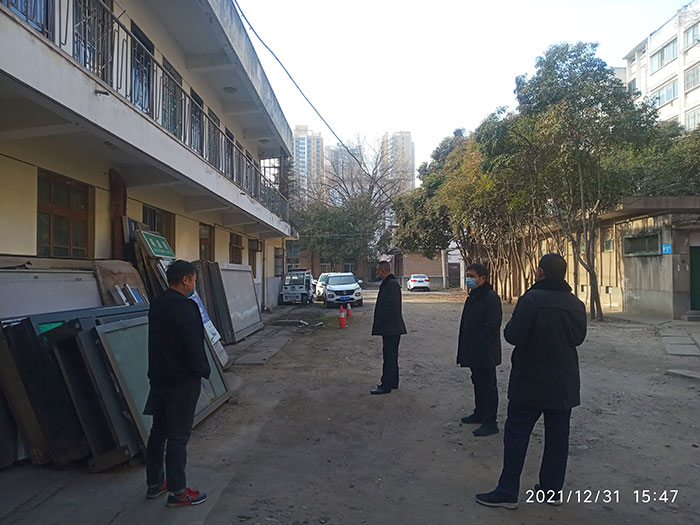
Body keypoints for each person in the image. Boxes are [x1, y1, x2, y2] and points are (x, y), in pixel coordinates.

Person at [476, 253, 586, 509]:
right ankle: (551, 491)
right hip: (564, 382)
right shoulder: (575, 303)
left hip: (531, 380)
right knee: (558, 438)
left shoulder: (531, 299)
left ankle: (507, 492)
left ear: (541, 273)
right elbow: (578, 338)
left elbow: (513, 335)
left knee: (517, 434)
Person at [144, 260, 211, 507]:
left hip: (159, 379)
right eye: (193, 281)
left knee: (158, 431)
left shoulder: (157, 304)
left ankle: (155, 483)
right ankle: (178, 492)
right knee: (178, 437)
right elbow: (193, 345)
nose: (194, 285)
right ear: (185, 280)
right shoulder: (185, 307)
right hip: (182, 382)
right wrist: (202, 370)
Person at [457, 263, 502, 437]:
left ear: (482, 278)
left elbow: (492, 324)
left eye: (472, 276)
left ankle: (490, 422)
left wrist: (480, 343)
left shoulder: (490, 297)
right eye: (467, 275)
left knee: (488, 385)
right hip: (474, 349)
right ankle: (479, 412)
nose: (468, 279)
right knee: (477, 381)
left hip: (485, 351)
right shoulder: (475, 295)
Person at [370, 260, 407, 395]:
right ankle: (393, 382)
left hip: (391, 328)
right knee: (391, 356)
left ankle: (386, 385)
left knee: (389, 357)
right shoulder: (389, 283)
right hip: (391, 327)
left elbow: (391, 307)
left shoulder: (391, 285)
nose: (377, 273)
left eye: (378, 270)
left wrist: (381, 320)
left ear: (383, 270)